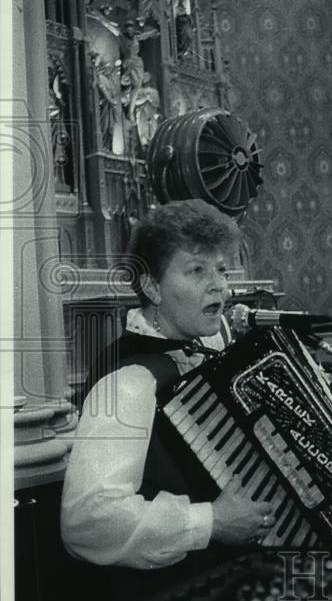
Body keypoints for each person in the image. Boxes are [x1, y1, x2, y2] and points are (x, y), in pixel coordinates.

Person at [61, 200, 276, 573]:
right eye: (196, 270)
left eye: (221, 270)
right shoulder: (128, 381)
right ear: (152, 287)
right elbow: (87, 521)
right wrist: (211, 521)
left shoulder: (208, 346)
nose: (219, 287)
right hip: (168, 598)